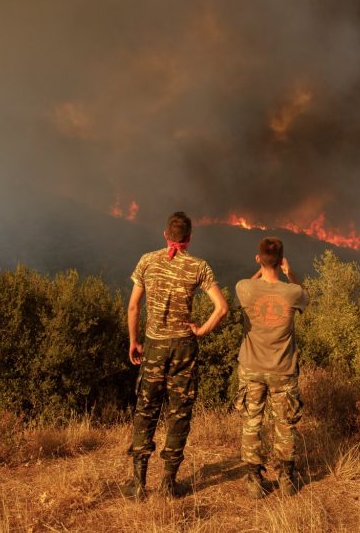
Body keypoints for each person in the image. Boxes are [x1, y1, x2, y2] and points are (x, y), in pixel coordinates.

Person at [119, 211, 229, 501]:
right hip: (183, 347)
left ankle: (138, 483)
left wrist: (134, 341)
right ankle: (169, 483)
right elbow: (222, 307)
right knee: (178, 413)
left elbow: (133, 308)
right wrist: (202, 330)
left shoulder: (147, 261)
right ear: (189, 238)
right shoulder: (199, 267)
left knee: (146, 411)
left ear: (165, 235)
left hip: (154, 346)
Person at [234, 237, 308, 497]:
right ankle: (287, 478)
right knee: (285, 423)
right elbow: (304, 294)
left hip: (251, 367)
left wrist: (261, 270)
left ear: (258, 258)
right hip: (283, 370)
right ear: (282, 260)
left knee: (251, 423)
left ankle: (254, 479)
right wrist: (289, 273)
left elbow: (253, 283)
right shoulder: (292, 292)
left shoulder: (245, 288)